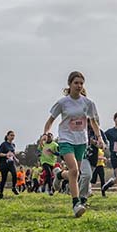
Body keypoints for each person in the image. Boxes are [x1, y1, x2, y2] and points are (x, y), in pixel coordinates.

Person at [43, 71, 104, 217]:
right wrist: (45, 133)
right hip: (66, 139)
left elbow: (93, 122)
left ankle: (59, 175)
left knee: (74, 173)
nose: (79, 86)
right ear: (69, 84)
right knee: (75, 170)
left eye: (81, 83)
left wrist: (99, 138)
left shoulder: (88, 103)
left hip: (81, 141)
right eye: (76, 83)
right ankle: (76, 204)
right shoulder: (62, 103)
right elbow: (50, 121)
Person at [0, 131, 19, 198]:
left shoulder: (13, 145)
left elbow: (12, 154)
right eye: (11, 135)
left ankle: (14, 187)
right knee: (4, 179)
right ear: (7, 136)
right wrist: (5, 155)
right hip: (4, 164)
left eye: (13, 136)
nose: (12, 137)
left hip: (11, 163)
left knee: (14, 174)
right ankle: (1, 193)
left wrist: (16, 159)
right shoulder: (3, 144)